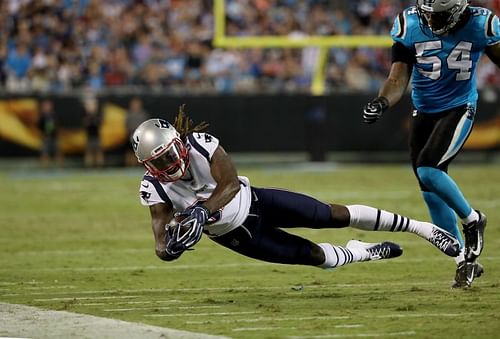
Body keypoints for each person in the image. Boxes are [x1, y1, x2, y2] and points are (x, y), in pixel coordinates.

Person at [131, 108, 460, 275]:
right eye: (161, 160)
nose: (172, 162)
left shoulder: (201, 145)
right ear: (148, 165)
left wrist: (202, 211)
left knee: (332, 214)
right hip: (238, 236)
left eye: (172, 152)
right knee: (317, 257)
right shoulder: (153, 187)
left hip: (256, 201)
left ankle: (423, 228)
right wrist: (171, 249)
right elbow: (160, 242)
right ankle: (363, 252)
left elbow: (229, 184)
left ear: (178, 141)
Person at [362, 0, 499, 288]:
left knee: (429, 169)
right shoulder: (409, 22)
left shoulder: (481, 23)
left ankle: (473, 220)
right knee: (430, 192)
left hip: (459, 107)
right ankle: (463, 260)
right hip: (422, 110)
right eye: (428, 15)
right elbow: (397, 78)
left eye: (440, 16)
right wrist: (382, 101)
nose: (432, 22)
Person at [38, 98, 63, 168]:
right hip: (45, 138)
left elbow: (58, 126)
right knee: (44, 153)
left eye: (48, 105)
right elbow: (39, 126)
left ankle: (60, 167)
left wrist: (56, 132)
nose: (46, 107)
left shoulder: (54, 115)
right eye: (45, 105)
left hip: (54, 137)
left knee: (57, 153)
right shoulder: (42, 116)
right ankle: (44, 167)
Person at [125, 97, 149, 167]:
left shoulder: (143, 114)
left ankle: (138, 166)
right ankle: (129, 166)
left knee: (139, 152)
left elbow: (145, 124)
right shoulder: (129, 114)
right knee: (130, 152)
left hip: (140, 136)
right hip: (130, 134)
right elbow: (126, 124)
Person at [83, 95, 104, 168]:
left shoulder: (98, 115)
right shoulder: (86, 115)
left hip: (97, 136)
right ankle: (89, 167)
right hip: (89, 136)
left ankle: (99, 167)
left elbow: (99, 123)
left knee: (98, 152)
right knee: (89, 153)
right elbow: (86, 124)